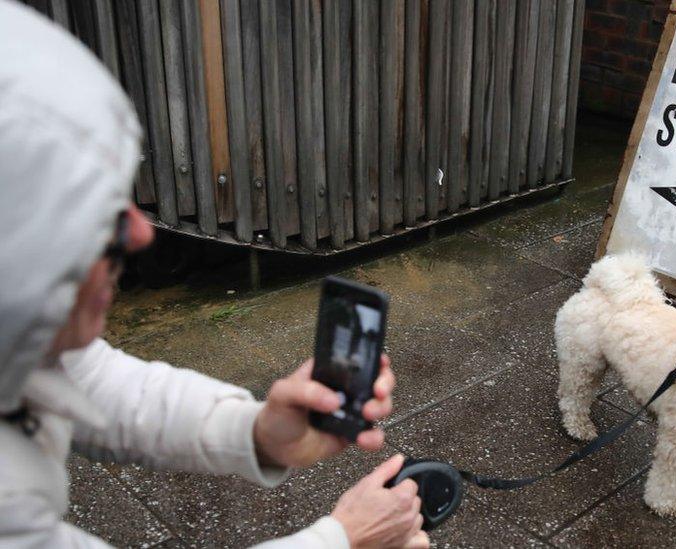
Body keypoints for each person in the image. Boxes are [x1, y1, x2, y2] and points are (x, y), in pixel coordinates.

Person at [0, 1, 428, 547]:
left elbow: (93, 382)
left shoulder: (21, 338)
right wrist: (345, 539)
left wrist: (254, 432)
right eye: (91, 211)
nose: (141, 232)